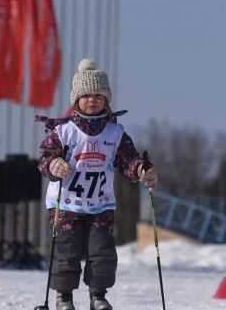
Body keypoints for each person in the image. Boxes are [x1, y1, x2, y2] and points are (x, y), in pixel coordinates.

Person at [37, 58, 158, 310]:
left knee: (102, 252)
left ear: (107, 100)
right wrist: (54, 164)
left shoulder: (115, 133)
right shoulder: (64, 131)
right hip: (66, 204)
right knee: (67, 251)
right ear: (76, 100)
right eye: (86, 95)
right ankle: (64, 296)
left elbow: (127, 160)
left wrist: (141, 169)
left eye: (98, 95)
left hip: (100, 204)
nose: (92, 100)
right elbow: (45, 158)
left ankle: (98, 295)